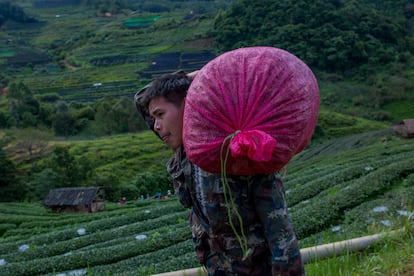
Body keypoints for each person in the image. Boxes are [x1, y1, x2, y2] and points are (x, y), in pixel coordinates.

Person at [134, 71, 305, 275]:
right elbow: (140, 100)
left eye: (160, 115)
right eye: (153, 118)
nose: (157, 126)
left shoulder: (237, 151)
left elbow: (280, 230)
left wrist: (196, 84)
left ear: (188, 105)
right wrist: (188, 78)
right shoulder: (184, 155)